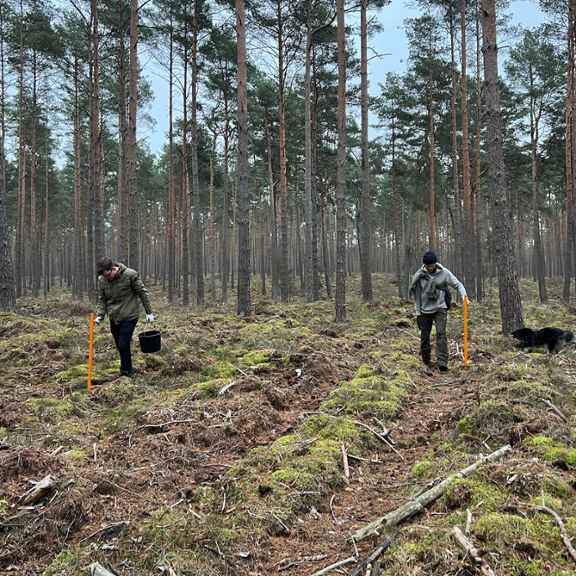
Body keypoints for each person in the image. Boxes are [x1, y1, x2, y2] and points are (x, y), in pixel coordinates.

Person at [95, 257, 156, 377]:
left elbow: (142, 292)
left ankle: (126, 371)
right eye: (104, 276)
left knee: (123, 343)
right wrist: (100, 315)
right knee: (119, 345)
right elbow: (102, 299)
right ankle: (126, 366)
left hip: (129, 315)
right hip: (114, 316)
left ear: (113, 269)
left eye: (108, 275)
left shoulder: (130, 275)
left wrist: (149, 312)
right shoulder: (102, 280)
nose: (107, 278)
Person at [409, 250, 467, 373]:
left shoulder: (444, 273)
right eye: (427, 266)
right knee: (425, 337)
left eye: (432, 265)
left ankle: (442, 363)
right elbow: (417, 296)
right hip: (424, 310)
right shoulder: (419, 276)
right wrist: (418, 313)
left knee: (441, 334)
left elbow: (458, 285)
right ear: (424, 265)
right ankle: (426, 362)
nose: (430, 268)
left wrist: (464, 297)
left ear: (435, 264)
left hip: (440, 307)